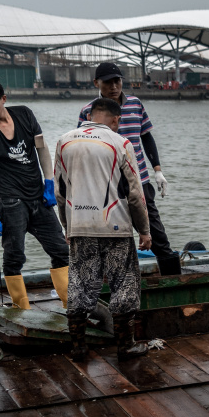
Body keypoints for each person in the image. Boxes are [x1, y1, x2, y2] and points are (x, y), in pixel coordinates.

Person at [53, 97, 153, 361]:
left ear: (90, 114)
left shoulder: (64, 141)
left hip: (80, 226)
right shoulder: (120, 143)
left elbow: (59, 192)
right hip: (115, 227)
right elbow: (135, 194)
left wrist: (67, 226)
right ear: (116, 119)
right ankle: (125, 346)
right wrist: (144, 230)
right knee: (124, 285)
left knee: (80, 284)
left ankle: (78, 346)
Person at [0, 78, 69, 310]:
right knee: (14, 258)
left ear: (3, 99)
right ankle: (21, 308)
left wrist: (49, 181)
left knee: (61, 250)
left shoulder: (25, 114)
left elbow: (42, 148)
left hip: (39, 198)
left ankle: (69, 302)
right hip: (11, 201)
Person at [77, 62, 179, 276]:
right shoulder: (88, 111)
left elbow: (146, 137)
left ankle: (173, 279)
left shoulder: (135, 104)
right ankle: (108, 283)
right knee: (110, 237)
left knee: (157, 234)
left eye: (117, 81)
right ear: (97, 83)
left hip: (140, 181)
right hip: (106, 186)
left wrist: (157, 170)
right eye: (108, 82)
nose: (114, 86)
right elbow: (82, 147)